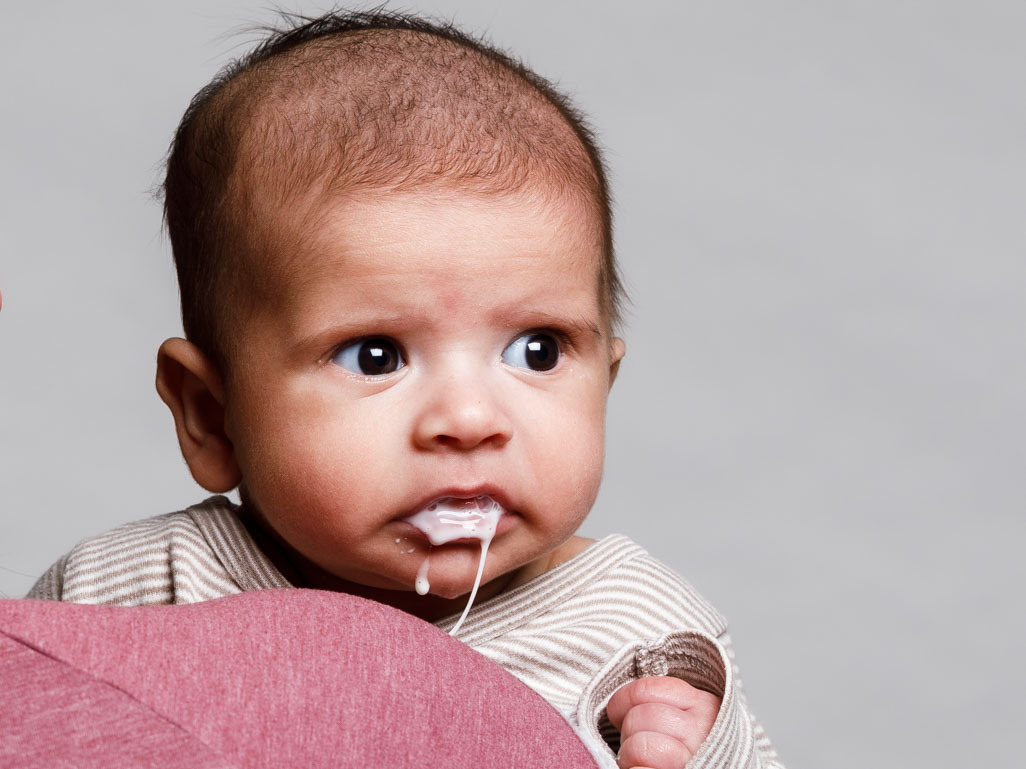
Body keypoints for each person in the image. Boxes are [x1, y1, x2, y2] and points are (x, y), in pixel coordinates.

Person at [27, 10, 783, 769]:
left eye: (538, 349)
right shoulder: (131, 587)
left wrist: (702, 752)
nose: (469, 419)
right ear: (211, 416)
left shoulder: (640, 637)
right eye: (377, 355)